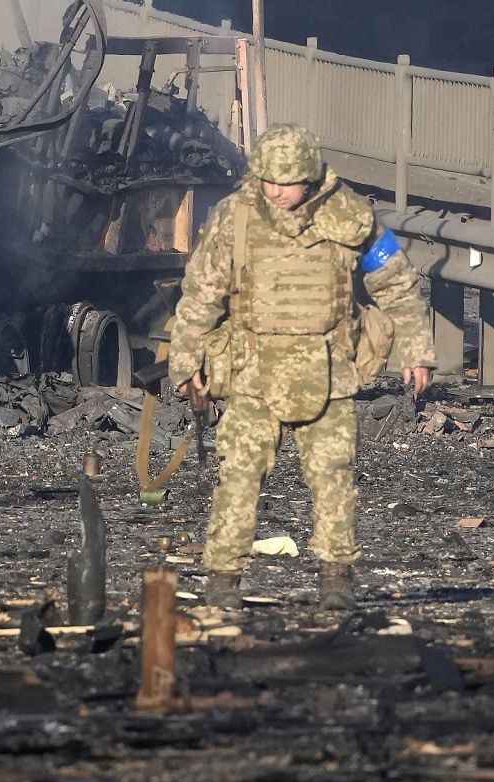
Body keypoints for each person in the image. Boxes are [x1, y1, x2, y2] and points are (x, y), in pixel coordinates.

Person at [168, 124, 435, 611]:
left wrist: (416, 349)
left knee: (333, 477)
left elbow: (396, 284)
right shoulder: (236, 218)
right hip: (252, 372)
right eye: (268, 180)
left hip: (329, 370)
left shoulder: (352, 216)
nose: (276, 191)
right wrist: (185, 359)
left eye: (286, 183)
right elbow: (202, 293)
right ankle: (223, 582)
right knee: (240, 476)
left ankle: (337, 581)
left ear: (310, 178)